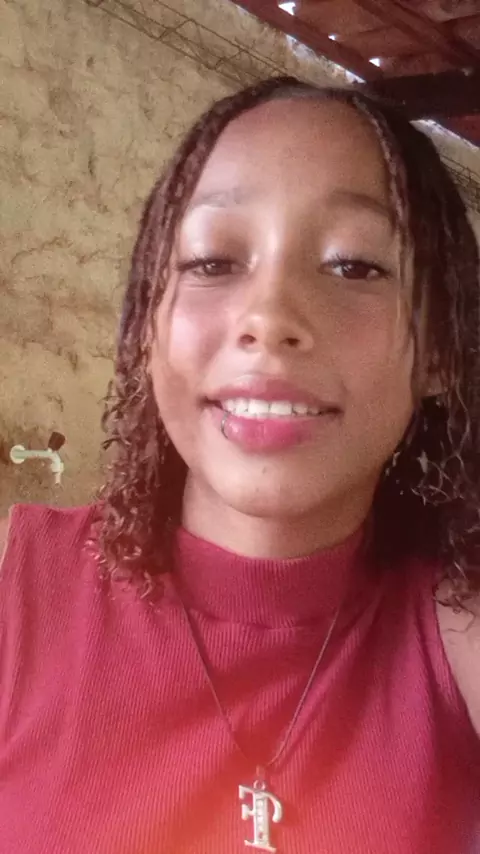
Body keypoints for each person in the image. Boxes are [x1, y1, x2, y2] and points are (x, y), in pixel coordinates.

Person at [0, 76, 479, 854]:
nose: (269, 317)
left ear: (440, 352)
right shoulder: (17, 591)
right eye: (214, 261)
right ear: (148, 327)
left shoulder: (454, 632)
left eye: (355, 266)